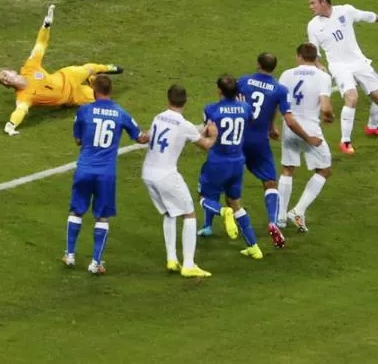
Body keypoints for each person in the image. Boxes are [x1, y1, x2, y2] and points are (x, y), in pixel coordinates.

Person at [63, 75, 149, 275]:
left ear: (94, 90)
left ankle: (69, 254)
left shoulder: (84, 111)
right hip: (105, 174)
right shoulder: (121, 114)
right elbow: (140, 138)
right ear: (111, 90)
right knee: (102, 217)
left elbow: (77, 140)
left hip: (84, 169)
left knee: (76, 211)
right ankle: (95, 262)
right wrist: (153, 133)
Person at [235, 53, 322, 247]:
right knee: (270, 183)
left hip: (238, 139)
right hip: (259, 142)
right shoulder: (279, 89)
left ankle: (226, 216)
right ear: (274, 68)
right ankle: (273, 222)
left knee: (229, 181)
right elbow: (290, 121)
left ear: (258, 64)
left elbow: (225, 94)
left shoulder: (243, 81)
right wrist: (309, 138)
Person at [0, 5, 123, 135]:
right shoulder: (23, 96)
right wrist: (10, 125)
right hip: (72, 96)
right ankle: (92, 81)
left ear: (12, 71)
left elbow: (40, 45)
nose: (6, 78)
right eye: (3, 80)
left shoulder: (29, 67)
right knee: (101, 98)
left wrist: (46, 26)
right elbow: (20, 110)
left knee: (90, 68)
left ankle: (108, 68)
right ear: (6, 85)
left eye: (5, 74)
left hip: (67, 76)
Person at [141, 84, 217, 278]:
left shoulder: (158, 117)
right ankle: (189, 264)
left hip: (147, 173)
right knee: (189, 213)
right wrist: (214, 135)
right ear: (185, 101)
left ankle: (172, 259)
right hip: (166, 175)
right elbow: (206, 145)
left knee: (169, 212)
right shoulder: (184, 125)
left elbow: (148, 136)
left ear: (168, 100)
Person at [306, 0, 378, 155]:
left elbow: (366, 16)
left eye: (313, 3)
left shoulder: (345, 11)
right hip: (339, 66)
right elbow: (313, 49)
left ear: (324, 2)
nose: (310, 6)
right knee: (352, 98)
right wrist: (319, 64)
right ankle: (345, 142)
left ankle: (372, 128)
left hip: (358, 62)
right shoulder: (313, 25)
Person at [197, 75, 263, 260]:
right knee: (235, 203)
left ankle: (222, 213)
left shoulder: (211, 109)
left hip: (218, 161)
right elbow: (251, 119)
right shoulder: (245, 107)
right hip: (237, 162)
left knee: (204, 197)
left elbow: (208, 133)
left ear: (219, 90)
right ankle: (254, 247)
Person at [277, 43, 335, 232]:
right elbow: (325, 107)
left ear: (299, 56)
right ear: (315, 58)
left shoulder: (286, 74)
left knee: (287, 169)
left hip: (289, 125)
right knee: (324, 169)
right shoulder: (323, 77)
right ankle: (298, 211)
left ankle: (280, 218)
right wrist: (329, 116)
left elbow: (278, 101)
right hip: (310, 129)